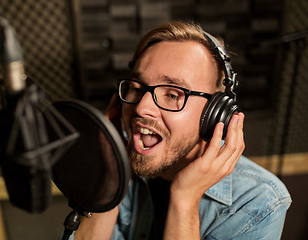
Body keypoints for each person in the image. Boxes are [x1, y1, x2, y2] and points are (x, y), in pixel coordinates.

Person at [71, 21, 291, 239]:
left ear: (215, 114)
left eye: (173, 94)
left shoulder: (259, 201)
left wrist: (185, 198)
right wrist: (112, 175)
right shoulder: (114, 168)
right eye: (137, 88)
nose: (141, 107)